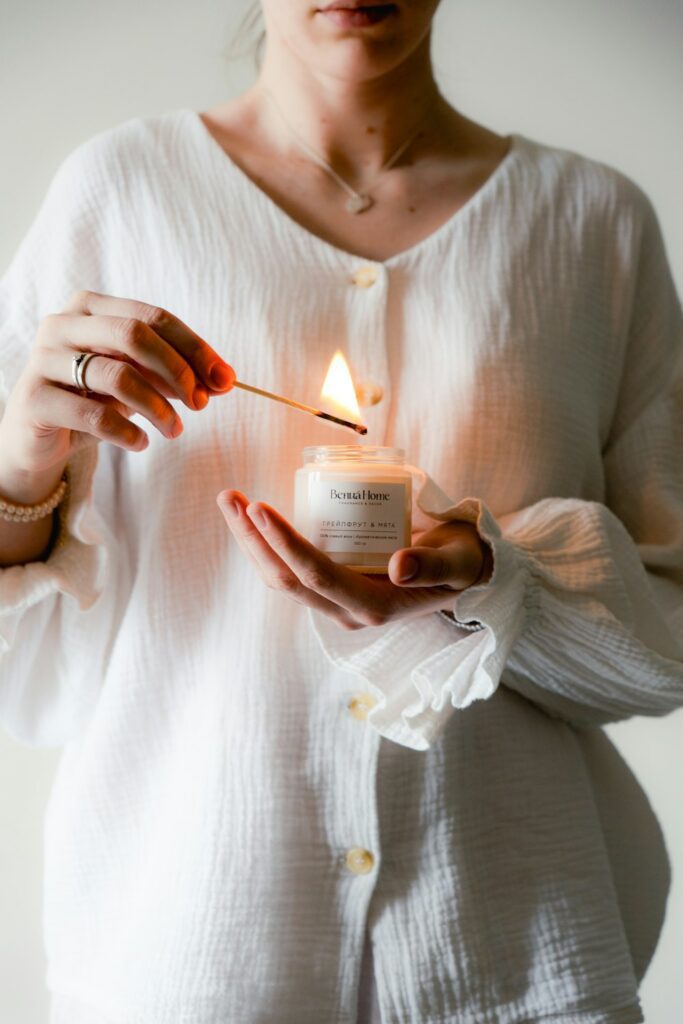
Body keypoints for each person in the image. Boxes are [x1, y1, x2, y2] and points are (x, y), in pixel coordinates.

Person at [0, 1, 681, 1022]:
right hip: (189, 958)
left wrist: (499, 584)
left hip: (513, 955)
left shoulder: (593, 224)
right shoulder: (117, 193)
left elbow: (664, 632)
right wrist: (22, 469)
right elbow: (31, 676)